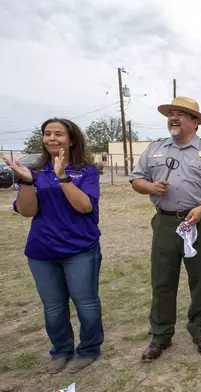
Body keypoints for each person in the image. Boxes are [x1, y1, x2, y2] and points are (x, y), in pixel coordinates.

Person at [131, 97, 201, 361]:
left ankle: (200, 331)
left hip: (199, 223)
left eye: (180, 114)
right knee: (162, 280)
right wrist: (150, 187)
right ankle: (160, 335)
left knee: (200, 280)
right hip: (165, 222)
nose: (173, 118)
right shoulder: (155, 149)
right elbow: (136, 179)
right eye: (171, 114)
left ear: (195, 122)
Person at [2, 118, 103, 374]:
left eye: (59, 134)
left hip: (80, 250)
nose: (52, 138)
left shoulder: (86, 171)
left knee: (86, 303)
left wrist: (62, 178)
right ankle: (61, 351)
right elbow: (27, 211)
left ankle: (89, 349)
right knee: (54, 306)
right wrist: (26, 182)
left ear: (71, 139)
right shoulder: (35, 171)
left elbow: (85, 206)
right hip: (42, 252)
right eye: (47, 134)